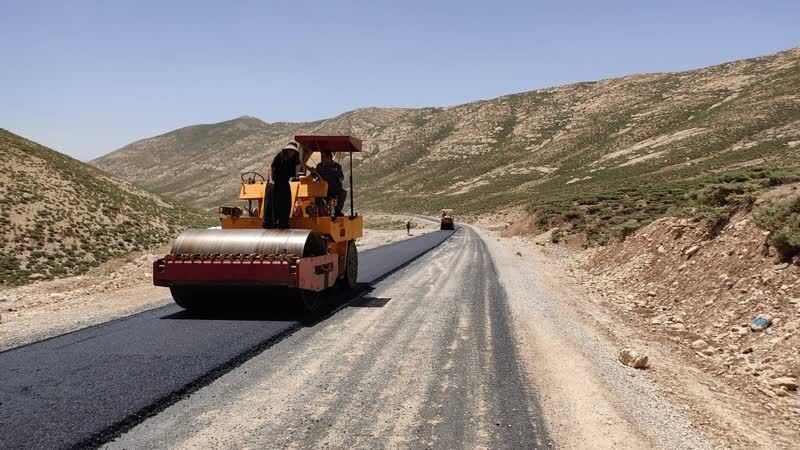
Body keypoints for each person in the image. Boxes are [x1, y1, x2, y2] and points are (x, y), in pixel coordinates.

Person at [263, 141, 300, 229]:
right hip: (274, 183)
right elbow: (271, 168)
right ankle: (269, 224)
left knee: (285, 203)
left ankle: (283, 223)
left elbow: (300, 166)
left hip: (284, 183)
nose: (290, 152)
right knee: (271, 204)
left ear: (295, 152)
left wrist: (311, 169)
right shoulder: (279, 156)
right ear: (286, 150)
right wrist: (271, 181)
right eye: (289, 150)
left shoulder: (294, 160)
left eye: (292, 150)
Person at [310, 150, 347, 217]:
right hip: (323, 189)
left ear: (329, 157)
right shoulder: (319, 166)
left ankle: (338, 211)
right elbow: (314, 176)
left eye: (323, 157)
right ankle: (324, 212)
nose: (322, 158)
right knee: (317, 197)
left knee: (343, 193)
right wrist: (313, 172)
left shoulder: (337, 166)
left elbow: (342, 176)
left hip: (334, 189)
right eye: (322, 157)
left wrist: (339, 179)